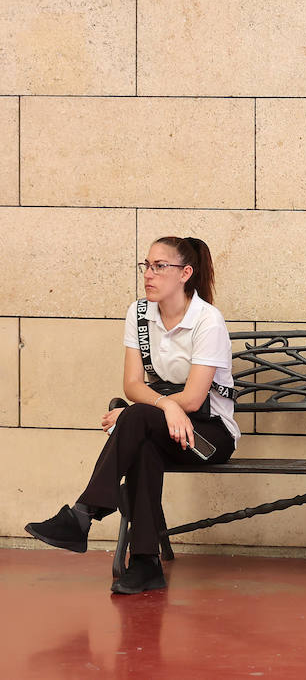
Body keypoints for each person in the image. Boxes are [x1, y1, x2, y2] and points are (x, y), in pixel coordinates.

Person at [25, 237, 237, 594]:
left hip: (208, 434)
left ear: (185, 273)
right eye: (146, 265)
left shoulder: (208, 321)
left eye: (159, 266)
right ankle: (145, 564)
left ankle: (83, 515)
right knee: (142, 443)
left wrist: (147, 410)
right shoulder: (139, 314)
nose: (149, 275)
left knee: (136, 419)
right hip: (165, 425)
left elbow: (195, 397)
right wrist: (164, 405)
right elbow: (132, 385)